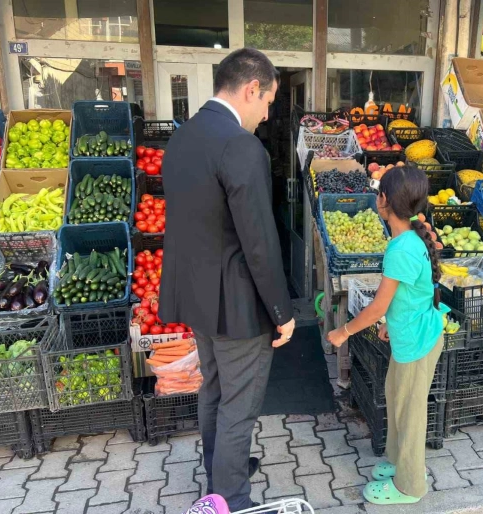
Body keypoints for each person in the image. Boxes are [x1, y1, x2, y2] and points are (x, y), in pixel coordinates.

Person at [159, 48, 296, 512]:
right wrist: (281, 311)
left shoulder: (183, 137)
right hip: (238, 306)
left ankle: (220, 475)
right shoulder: (241, 145)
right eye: (269, 101)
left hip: (197, 297)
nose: (268, 114)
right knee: (239, 403)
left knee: (214, 390)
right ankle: (232, 500)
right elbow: (259, 240)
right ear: (251, 89)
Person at [327, 164, 445, 506]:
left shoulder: (401, 248)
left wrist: (343, 332)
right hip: (410, 335)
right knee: (397, 400)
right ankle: (397, 462)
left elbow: (378, 305)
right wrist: (390, 323)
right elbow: (410, 294)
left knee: (410, 415)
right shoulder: (407, 240)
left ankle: (410, 486)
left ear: (383, 201)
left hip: (417, 343)